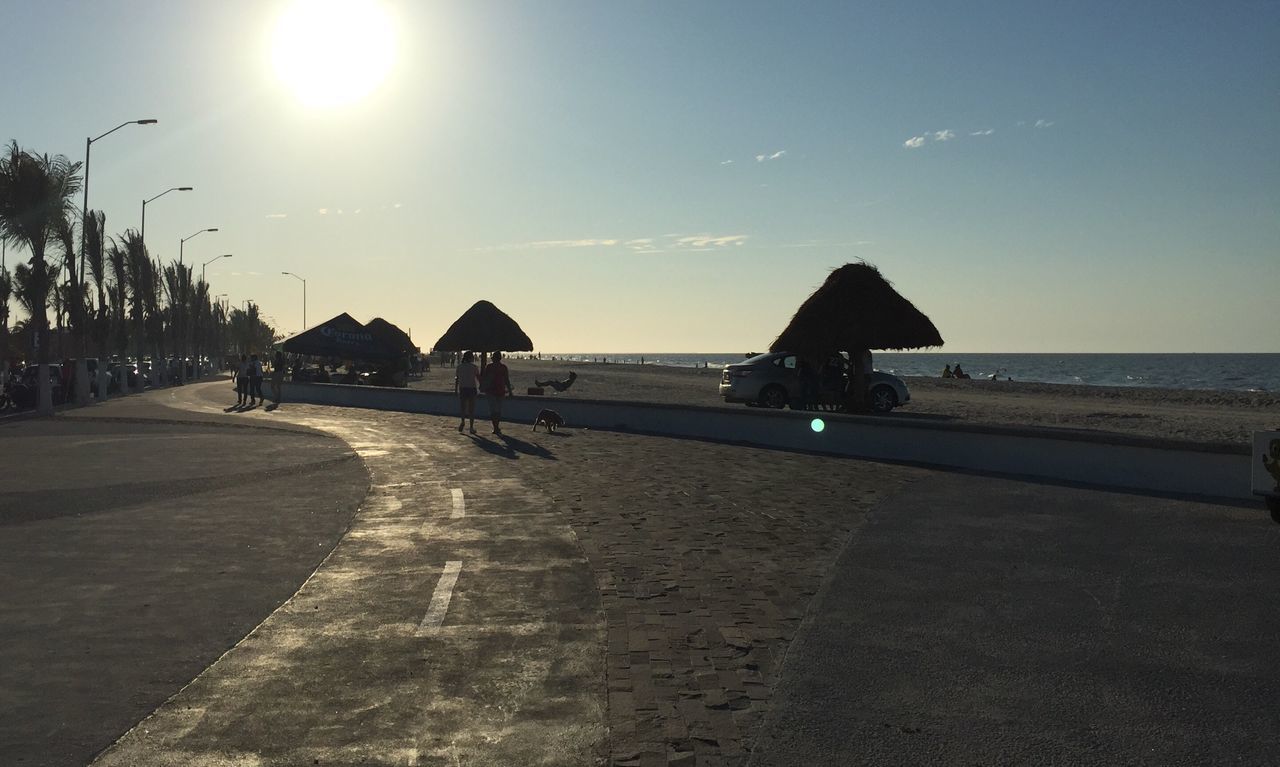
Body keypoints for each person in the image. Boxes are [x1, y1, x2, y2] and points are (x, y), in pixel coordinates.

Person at [482, 350, 514, 435]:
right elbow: (507, 380)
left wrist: (483, 387)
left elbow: (485, 378)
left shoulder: (489, 367)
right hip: (500, 390)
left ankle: (495, 427)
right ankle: (496, 427)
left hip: (491, 391)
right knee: (498, 410)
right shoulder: (503, 367)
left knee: (493, 410)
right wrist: (510, 391)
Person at [454, 350, 479, 434]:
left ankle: (463, 421)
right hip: (472, 388)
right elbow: (478, 378)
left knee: (463, 408)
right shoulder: (474, 367)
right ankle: (471, 427)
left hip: (463, 388)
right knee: (471, 409)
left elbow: (457, 379)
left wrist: (455, 389)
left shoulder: (459, 367)